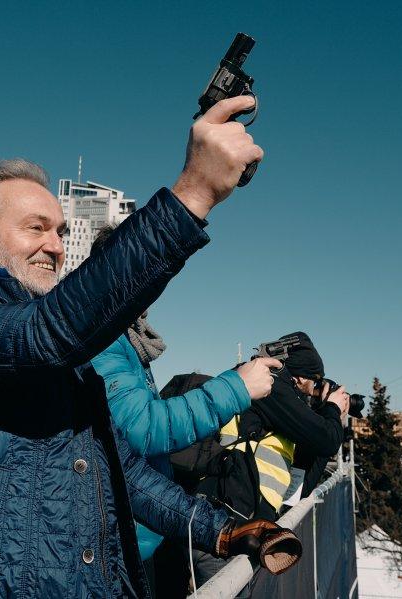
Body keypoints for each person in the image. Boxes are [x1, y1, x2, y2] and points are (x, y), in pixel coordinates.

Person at [0, 96, 300, 599]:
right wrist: (193, 194)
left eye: (60, 231)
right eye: (35, 228)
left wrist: (220, 529)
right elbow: (43, 335)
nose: (56, 246)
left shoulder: (67, 353)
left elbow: (125, 471)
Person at [87, 225, 280, 563]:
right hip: (114, 542)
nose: (154, 284)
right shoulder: (103, 337)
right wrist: (237, 387)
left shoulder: (127, 337)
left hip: (140, 532)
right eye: (145, 269)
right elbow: (143, 429)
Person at [189, 331, 349, 586]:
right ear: (297, 377)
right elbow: (326, 438)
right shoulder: (271, 387)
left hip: (244, 529)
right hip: (226, 526)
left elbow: (302, 485)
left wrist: (328, 417)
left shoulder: (278, 416)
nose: (315, 391)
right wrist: (330, 410)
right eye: (315, 382)